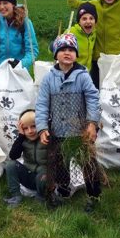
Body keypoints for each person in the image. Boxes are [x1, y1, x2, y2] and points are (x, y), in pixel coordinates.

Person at [35, 33, 102, 212]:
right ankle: (63, 192)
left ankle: (94, 196)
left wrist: (91, 123)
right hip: (57, 131)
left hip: (80, 132)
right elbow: (41, 104)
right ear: (55, 54)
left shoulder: (83, 76)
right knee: (59, 164)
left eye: (71, 49)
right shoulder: (49, 78)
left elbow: (93, 98)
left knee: (88, 164)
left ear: (76, 54)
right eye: (63, 49)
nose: (67, 53)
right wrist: (42, 127)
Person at [3, 109, 48, 208]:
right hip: (29, 176)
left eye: (33, 126)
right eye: (26, 128)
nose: (30, 131)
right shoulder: (23, 140)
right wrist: (21, 136)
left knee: (44, 175)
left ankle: (41, 197)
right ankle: (16, 196)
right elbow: (13, 156)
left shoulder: (47, 138)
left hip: (45, 178)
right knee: (10, 165)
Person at [68, 2, 97, 73]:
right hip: (72, 72)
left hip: (87, 72)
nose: (88, 21)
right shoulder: (71, 32)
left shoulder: (94, 33)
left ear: (95, 21)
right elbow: (55, 48)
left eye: (91, 18)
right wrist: (54, 45)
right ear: (79, 22)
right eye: (84, 19)